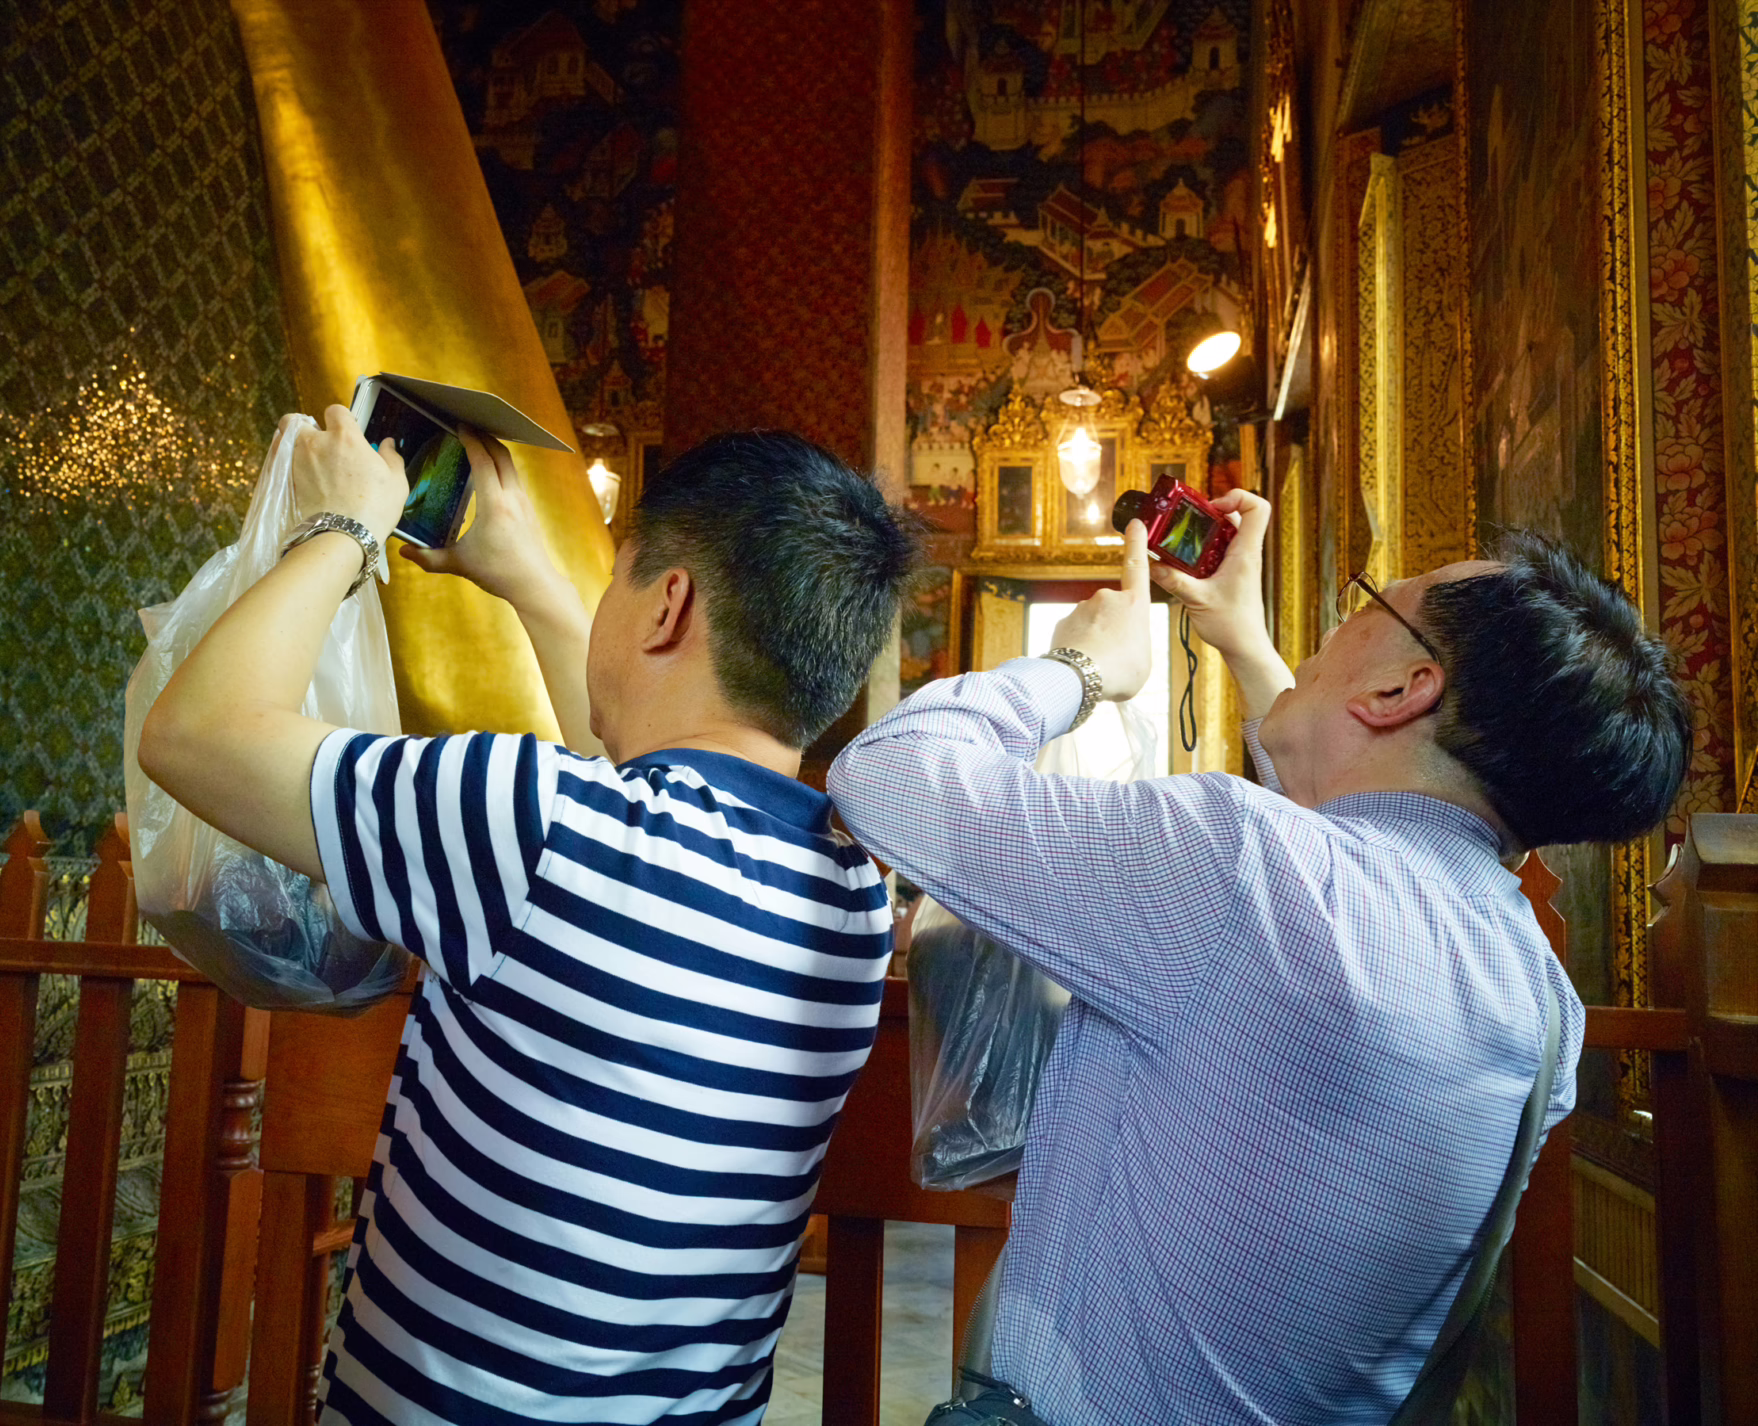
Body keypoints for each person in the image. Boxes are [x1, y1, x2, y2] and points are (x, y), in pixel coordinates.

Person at [828, 495, 1690, 1425]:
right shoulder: (1543, 1006)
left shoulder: (1240, 867)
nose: (1331, 629)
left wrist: (1076, 669)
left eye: (1368, 603)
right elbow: (1344, 847)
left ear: (1403, 690)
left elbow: (886, 775)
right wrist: (1241, 636)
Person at [139, 410, 921, 1425]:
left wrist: (342, 527)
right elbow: (632, 805)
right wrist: (524, 573)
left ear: (668, 604)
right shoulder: (851, 897)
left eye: (618, 579)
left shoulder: (527, 821)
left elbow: (194, 734)